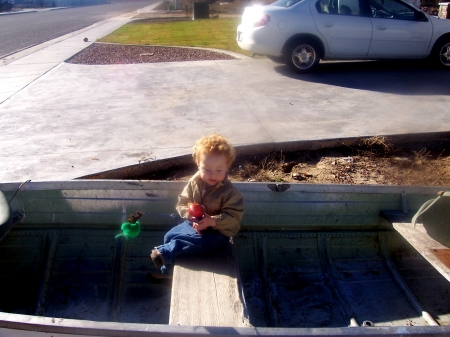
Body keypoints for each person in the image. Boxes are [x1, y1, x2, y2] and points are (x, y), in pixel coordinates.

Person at [150, 133, 245, 279]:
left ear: (227, 167)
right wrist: (190, 215)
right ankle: (167, 273)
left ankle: (165, 253)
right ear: (198, 165)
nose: (212, 174)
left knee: (196, 242)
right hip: (193, 224)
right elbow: (182, 201)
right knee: (169, 235)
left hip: (218, 233)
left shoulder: (231, 194)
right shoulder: (194, 183)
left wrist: (213, 221)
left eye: (218, 170)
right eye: (206, 169)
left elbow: (233, 218)